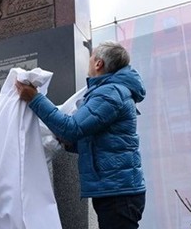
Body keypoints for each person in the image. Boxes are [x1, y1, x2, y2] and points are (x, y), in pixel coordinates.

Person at [16, 41, 147, 229]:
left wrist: (35, 99)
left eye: (91, 57)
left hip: (118, 192)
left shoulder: (110, 93)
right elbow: (101, 141)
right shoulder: (111, 90)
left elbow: (72, 128)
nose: (89, 62)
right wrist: (68, 143)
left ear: (98, 64)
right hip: (115, 189)